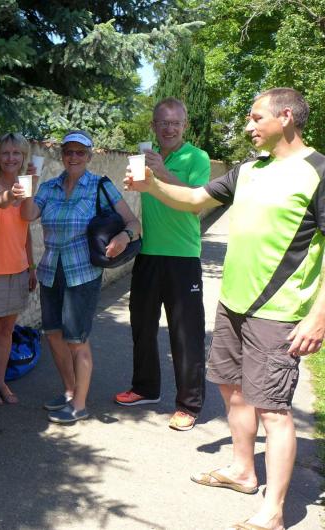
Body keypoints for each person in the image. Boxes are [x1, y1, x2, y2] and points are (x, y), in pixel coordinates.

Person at [125, 87, 324, 530]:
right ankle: (243, 470)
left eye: (255, 118)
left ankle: (273, 512)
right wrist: (151, 185)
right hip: (232, 302)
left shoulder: (318, 172)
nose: (248, 126)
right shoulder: (249, 170)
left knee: (273, 409)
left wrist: (318, 316)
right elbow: (196, 200)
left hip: (277, 310)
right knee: (232, 389)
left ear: (285, 117)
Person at [21, 130, 141, 423]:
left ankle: (80, 405)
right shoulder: (48, 187)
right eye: (68, 152)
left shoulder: (100, 185)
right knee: (53, 335)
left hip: (82, 272)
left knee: (76, 339)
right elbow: (27, 215)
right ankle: (69, 391)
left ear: (89, 156)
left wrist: (123, 238)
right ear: (62, 155)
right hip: (51, 270)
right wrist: (29, 184)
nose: (73, 157)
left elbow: (133, 223)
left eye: (79, 152)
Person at [114, 98, 210, 431]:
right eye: (163, 123)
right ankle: (145, 388)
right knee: (141, 326)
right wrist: (137, 183)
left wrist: (162, 173)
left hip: (183, 257)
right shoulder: (146, 157)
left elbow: (198, 201)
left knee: (186, 334)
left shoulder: (197, 157)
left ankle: (188, 405)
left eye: (175, 123)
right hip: (149, 254)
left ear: (184, 125)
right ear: (153, 126)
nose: (169, 128)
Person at [0, 132, 38, 406]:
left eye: (17, 153)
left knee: (6, 331)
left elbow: (26, 226)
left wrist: (31, 266)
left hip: (18, 269)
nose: (11, 158)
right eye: (5, 153)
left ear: (23, 157)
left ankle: (1, 381)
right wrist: (14, 193)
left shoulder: (27, 184)